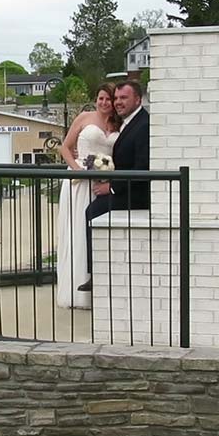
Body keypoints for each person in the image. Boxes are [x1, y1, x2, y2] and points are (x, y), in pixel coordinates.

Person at [79, 80, 151, 292]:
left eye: (123, 98)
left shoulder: (144, 124)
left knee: (94, 211)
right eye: (116, 98)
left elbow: (141, 167)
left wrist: (111, 187)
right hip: (124, 187)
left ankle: (97, 275)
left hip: (136, 194)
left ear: (137, 99)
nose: (118, 102)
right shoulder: (128, 122)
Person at [56, 83, 121, 308]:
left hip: (102, 181)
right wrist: (77, 169)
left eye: (109, 99)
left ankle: (97, 289)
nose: (104, 103)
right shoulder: (84, 118)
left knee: (96, 232)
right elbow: (65, 147)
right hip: (79, 180)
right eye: (101, 98)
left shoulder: (118, 123)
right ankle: (75, 290)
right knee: (77, 232)